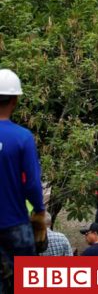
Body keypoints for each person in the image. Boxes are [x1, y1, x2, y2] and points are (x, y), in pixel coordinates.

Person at [0, 69, 46, 293]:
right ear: (15, 100)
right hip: (14, 225)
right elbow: (32, 185)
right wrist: (38, 211)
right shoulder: (22, 137)